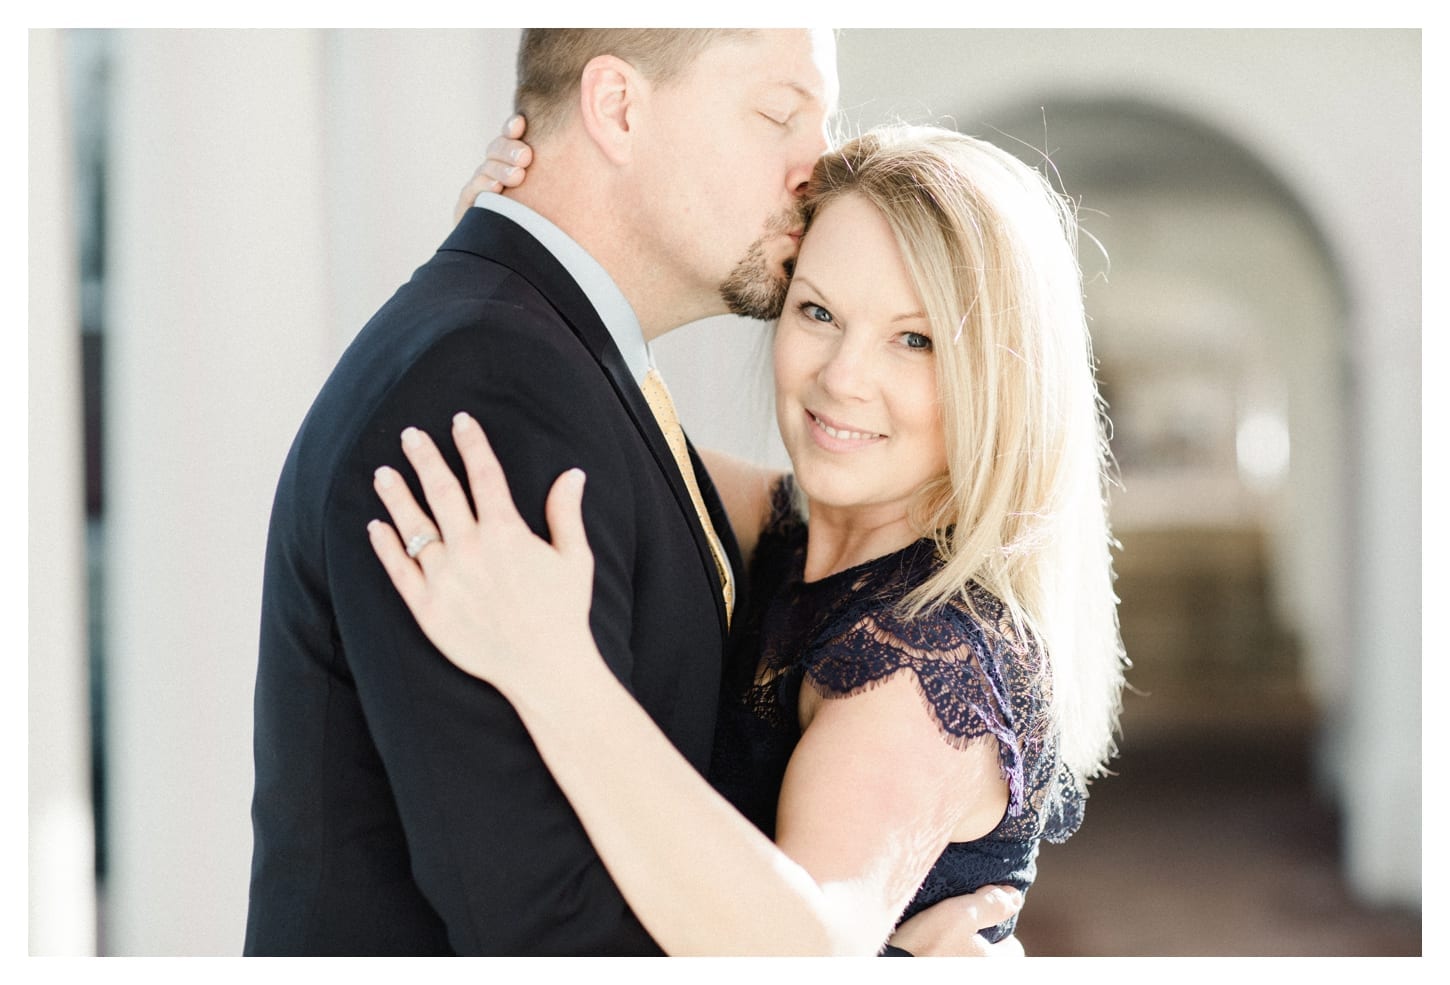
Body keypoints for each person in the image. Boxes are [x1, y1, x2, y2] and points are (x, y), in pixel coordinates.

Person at [246, 29, 1017, 956]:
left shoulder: (920, 638)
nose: (814, 168)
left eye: (916, 338)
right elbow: (552, 927)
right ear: (616, 107)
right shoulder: (494, 382)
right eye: (779, 112)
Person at [366, 123, 1127, 955]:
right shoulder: (784, 525)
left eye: (915, 339)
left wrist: (552, 671)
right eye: (818, 311)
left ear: (999, 377)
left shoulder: (926, 657)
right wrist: (516, 251)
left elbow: (794, 955)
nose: (841, 377)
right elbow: (591, 420)